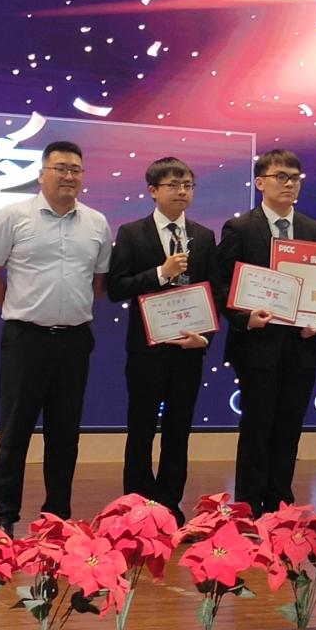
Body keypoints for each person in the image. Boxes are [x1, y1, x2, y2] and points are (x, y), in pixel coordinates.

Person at [0, 140, 111, 538]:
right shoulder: (13, 216)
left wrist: (67, 309)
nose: (68, 176)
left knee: (65, 432)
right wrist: (16, 306)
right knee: (15, 429)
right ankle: (4, 513)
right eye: (60, 168)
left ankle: (57, 514)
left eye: (75, 170)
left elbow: (98, 282)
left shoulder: (97, 223)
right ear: (41, 174)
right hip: (25, 340)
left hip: (74, 341)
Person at [106, 157, 222, 526]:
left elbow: (214, 292)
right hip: (147, 349)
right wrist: (161, 273)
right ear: (153, 190)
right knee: (141, 427)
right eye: (173, 185)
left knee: (179, 429)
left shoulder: (204, 236)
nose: (182, 191)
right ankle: (136, 504)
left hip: (188, 349)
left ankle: (170, 503)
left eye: (188, 185)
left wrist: (205, 337)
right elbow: (116, 287)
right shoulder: (132, 233)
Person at [217, 149, 316, 518]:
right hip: (256, 346)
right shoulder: (240, 228)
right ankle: (248, 507)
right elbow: (221, 285)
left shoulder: (313, 230)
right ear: (260, 182)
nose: (289, 183)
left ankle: (281, 507)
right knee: (257, 428)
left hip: (300, 348)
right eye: (281, 176)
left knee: (289, 429)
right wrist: (245, 318)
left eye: (295, 177)